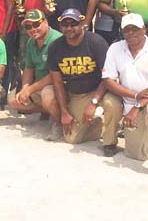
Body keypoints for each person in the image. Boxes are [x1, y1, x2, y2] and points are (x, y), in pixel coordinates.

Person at [101, 13, 148, 181]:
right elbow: (108, 80)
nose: (131, 33)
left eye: (135, 29)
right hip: (129, 100)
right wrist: (135, 96)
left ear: (144, 29)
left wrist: (137, 106)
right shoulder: (115, 48)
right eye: (127, 30)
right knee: (137, 154)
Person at [47, 8, 117, 145]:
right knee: (71, 138)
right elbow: (57, 83)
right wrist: (64, 112)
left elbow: (108, 78)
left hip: (101, 90)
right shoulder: (55, 47)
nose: (69, 28)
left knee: (112, 104)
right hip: (78, 95)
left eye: (73, 24)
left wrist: (94, 102)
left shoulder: (97, 42)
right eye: (65, 24)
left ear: (82, 24)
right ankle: (100, 124)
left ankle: (110, 140)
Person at [7, 10, 62, 140]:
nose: (33, 29)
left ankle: (58, 123)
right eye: (28, 27)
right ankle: (48, 111)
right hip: (39, 84)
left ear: (46, 22)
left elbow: (55, 75)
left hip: (58, 85)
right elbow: (29, 68)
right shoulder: (31, 42)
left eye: (36, 24)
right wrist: (25, 89)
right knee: (13, 100)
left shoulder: (57, 41)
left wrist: (30, 89)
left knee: (47, 94)